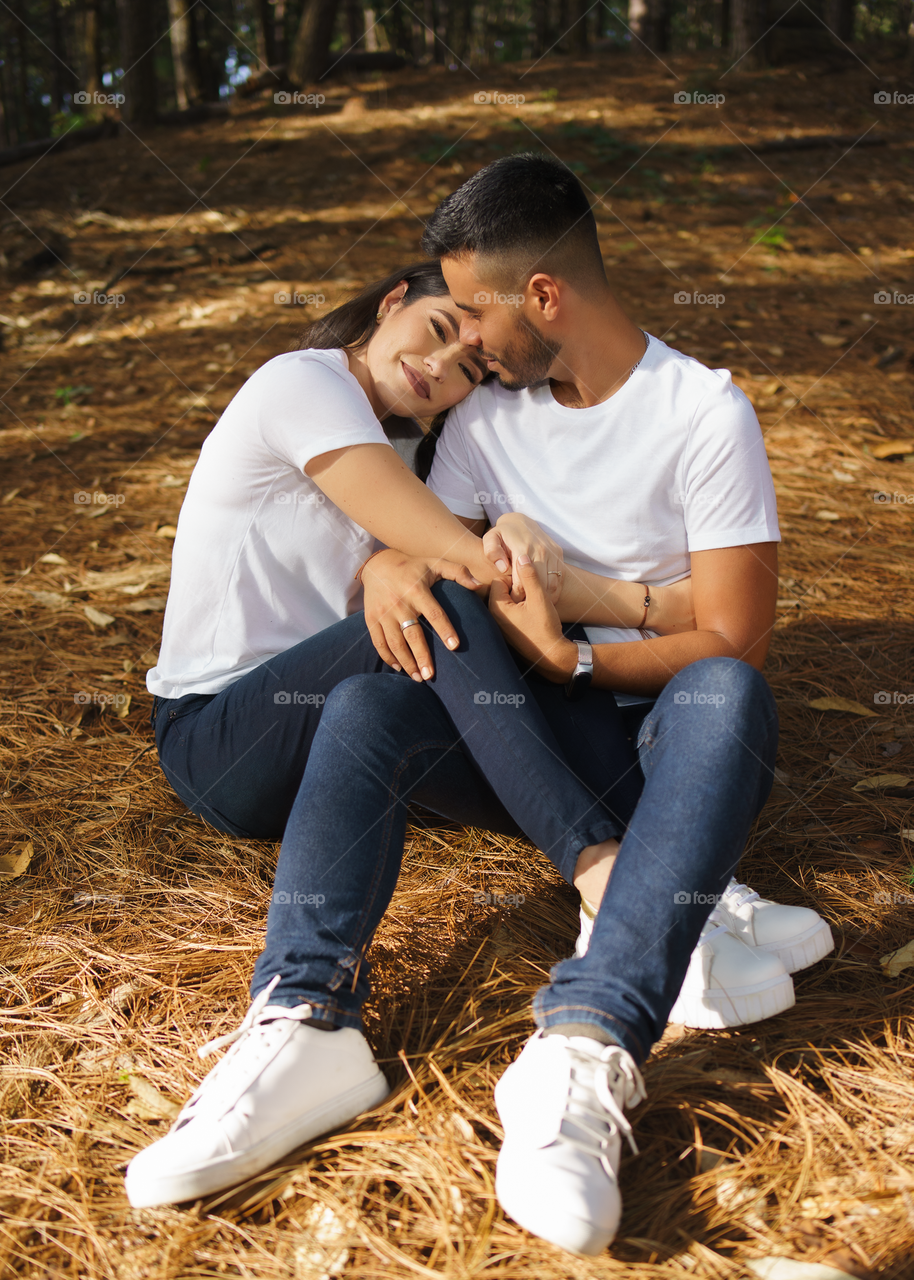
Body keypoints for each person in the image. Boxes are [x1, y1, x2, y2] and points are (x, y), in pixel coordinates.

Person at [124, 258, 697, 1211]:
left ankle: (311, 1019)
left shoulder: (403, 459)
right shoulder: (299, 383)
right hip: (219, 736)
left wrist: (401, 562)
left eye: (471, 369)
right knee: (453, 599)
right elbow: (467, 566)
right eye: (436, 331)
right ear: (390, 303)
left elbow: (406, 576)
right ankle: (611, 873)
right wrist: (655, 605)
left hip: (325, 736)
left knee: (379, 697)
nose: (444, 369)